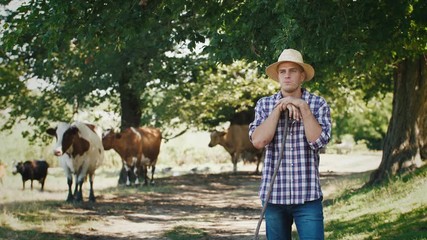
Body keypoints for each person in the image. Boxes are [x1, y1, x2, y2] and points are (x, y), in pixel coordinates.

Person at [249, 49, 332, 240]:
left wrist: (302, 107)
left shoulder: (318, 104)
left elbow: (318, 141)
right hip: (274, 197)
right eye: (283, 71)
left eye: (293, 71)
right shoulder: (264, 105)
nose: (287, 75)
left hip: (307, 196)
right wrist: (279, 108)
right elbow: (259, 141)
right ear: (278, 76)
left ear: (302, 76)